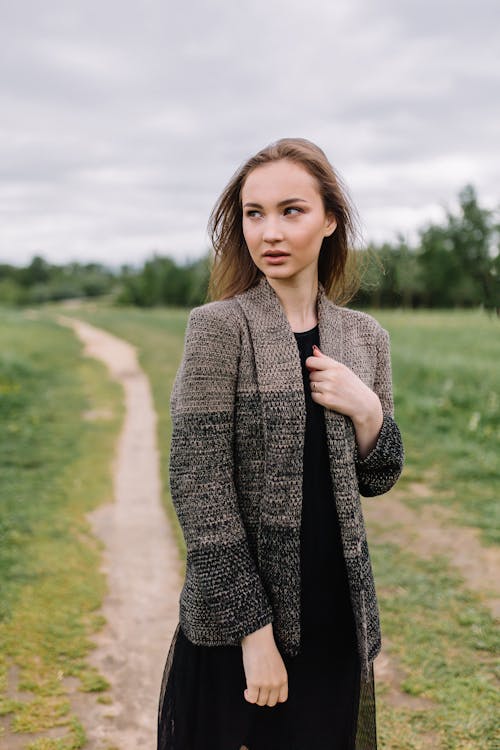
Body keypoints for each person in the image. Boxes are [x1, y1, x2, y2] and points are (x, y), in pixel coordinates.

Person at [157, 137, 405, 750]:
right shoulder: (218, 329)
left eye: (291, 211)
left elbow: (379, 476)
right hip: (237, 624)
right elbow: (199, 490)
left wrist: (368, 411)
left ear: (329, 220)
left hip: (336, 618)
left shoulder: (364, 338)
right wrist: (255, 636)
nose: (269, 231)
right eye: (254, 213)